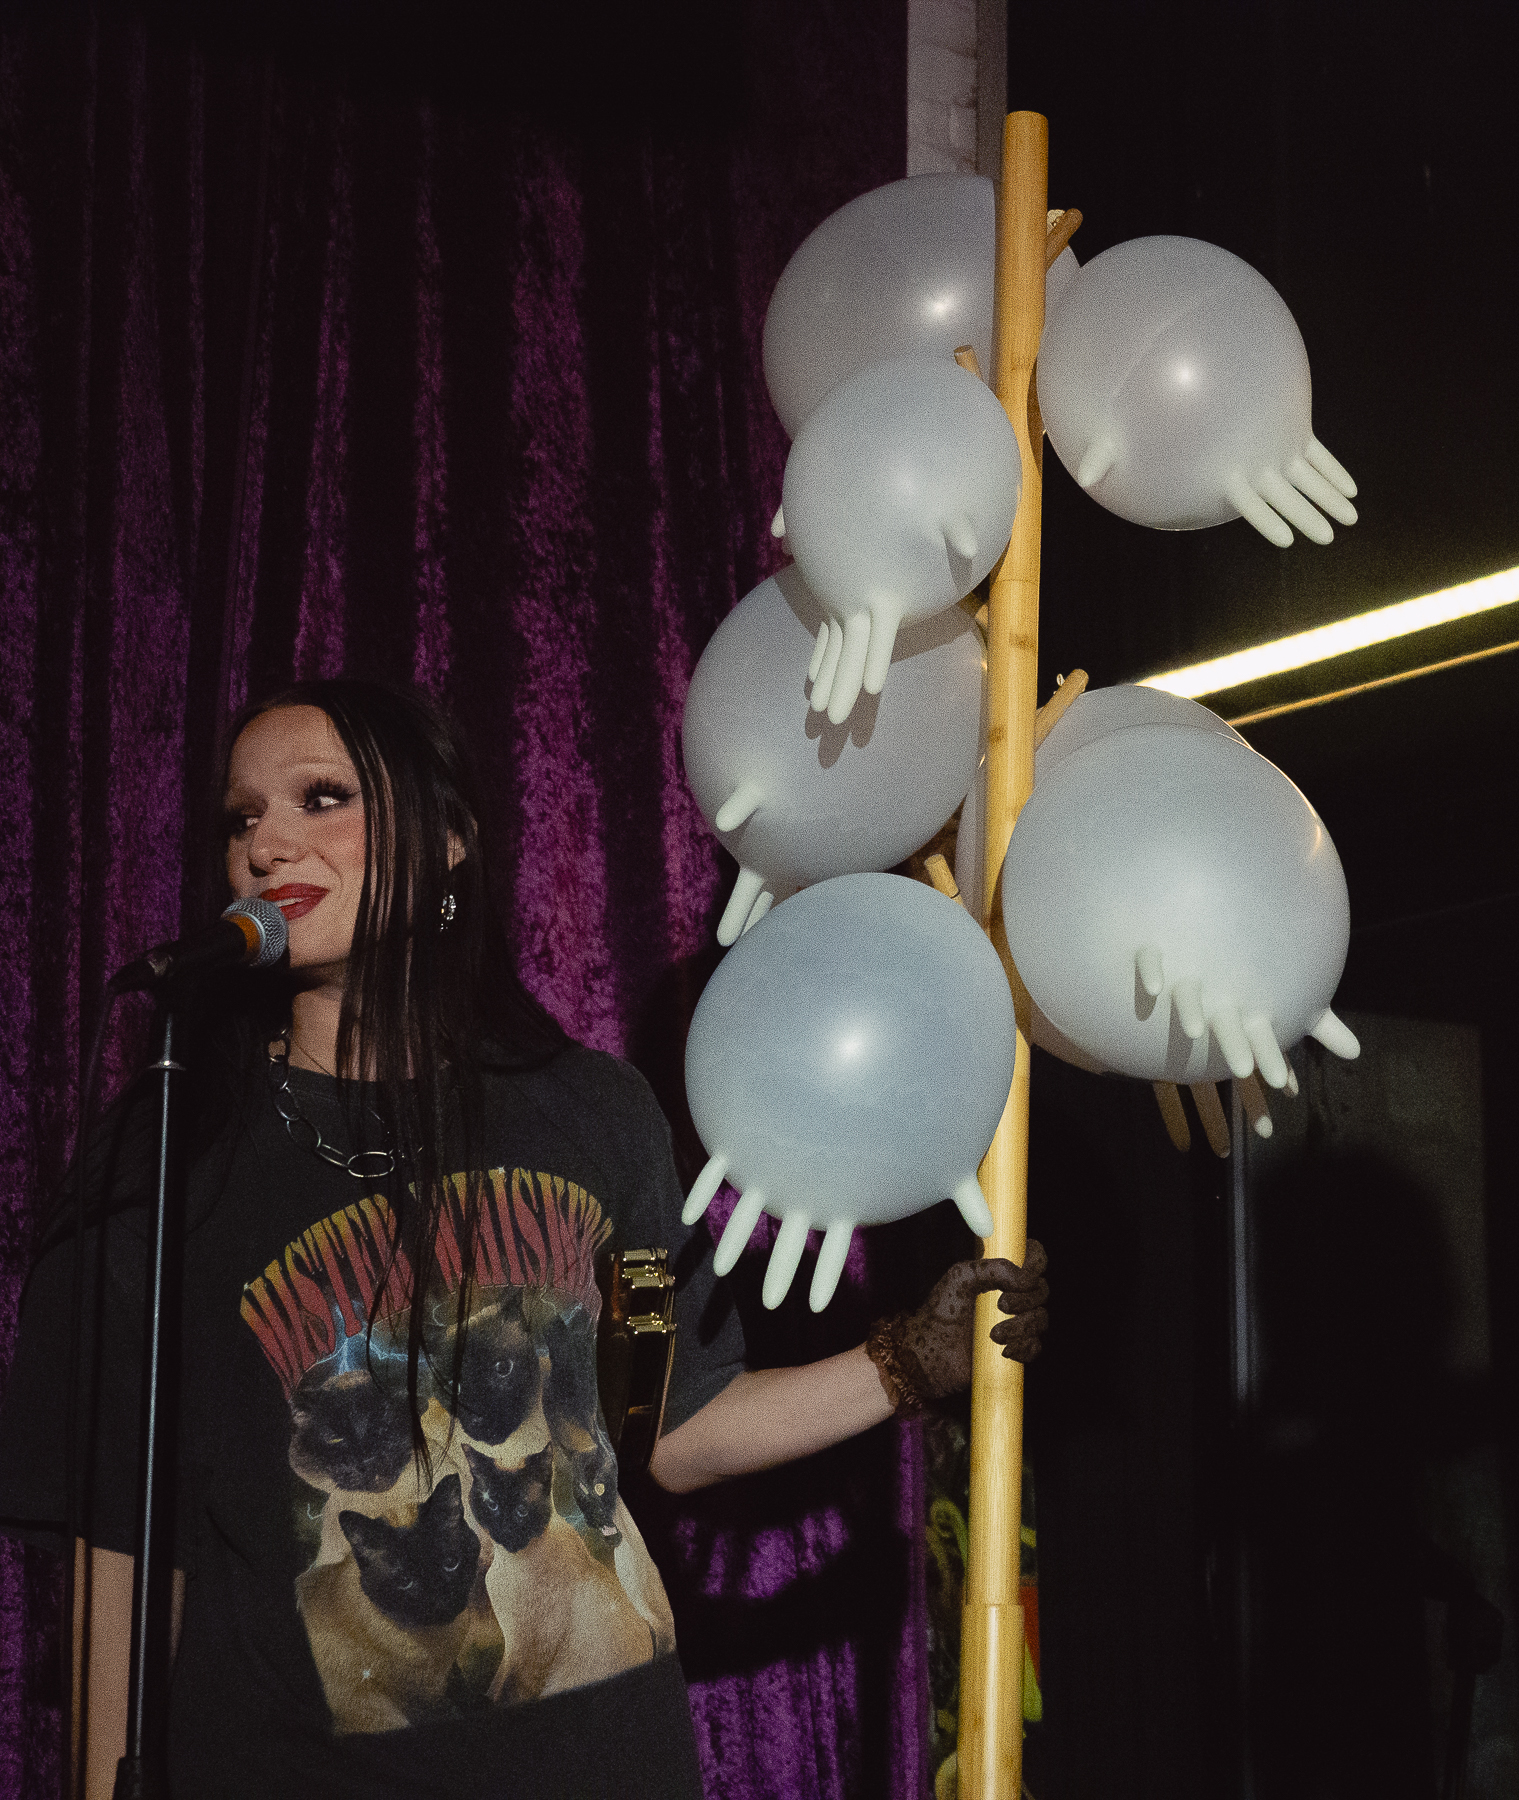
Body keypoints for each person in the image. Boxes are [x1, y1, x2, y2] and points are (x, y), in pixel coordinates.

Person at [0, 680, 1049, 1799]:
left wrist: (909, 1359)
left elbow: (670, 1424)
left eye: (322, 797)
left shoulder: (592, 1114)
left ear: (449, 843)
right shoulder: (167, 1161)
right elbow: (120, 1562)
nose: (268, 846)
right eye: (241, 817)